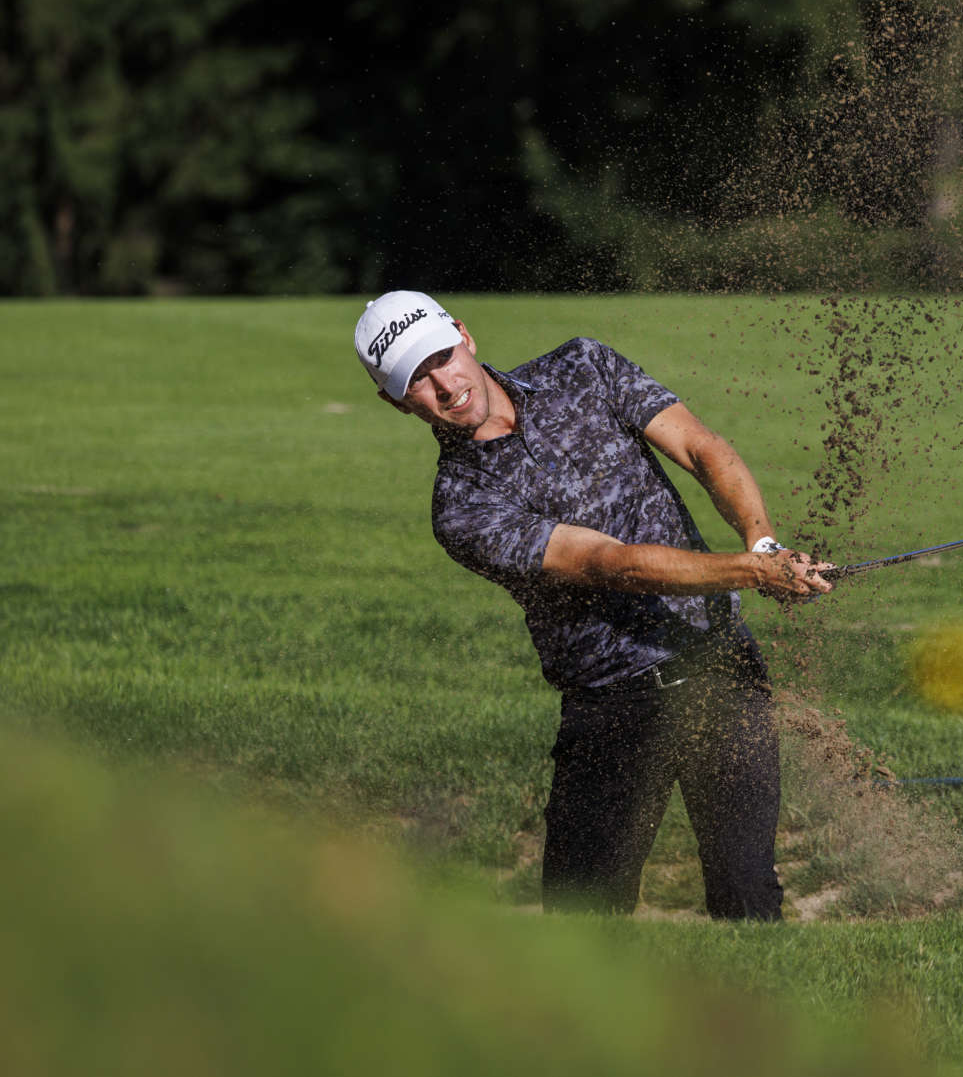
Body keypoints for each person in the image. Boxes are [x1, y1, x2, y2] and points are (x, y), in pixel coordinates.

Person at [355, 290, 831, 920]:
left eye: (441, 357)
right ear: (393, 401)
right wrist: (750, 572)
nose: (445, 385)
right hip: (613, 709)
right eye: (416, 380)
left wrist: (763, 542)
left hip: (722, 672)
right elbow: (612, 564)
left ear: (464, 335)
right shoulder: (462, 509)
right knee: (585, 929)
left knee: (748, 899)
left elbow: (699, 446)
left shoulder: (582, 366)